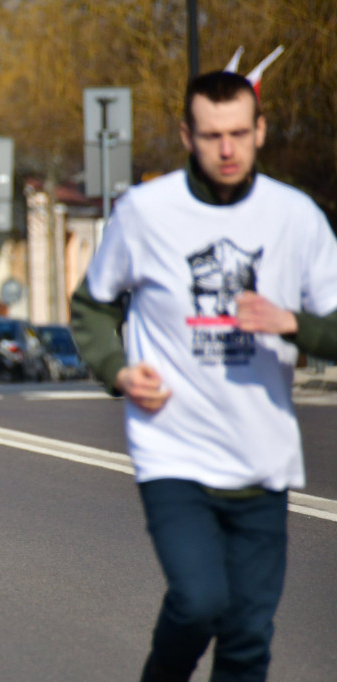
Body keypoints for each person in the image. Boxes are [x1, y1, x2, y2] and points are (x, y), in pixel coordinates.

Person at [69, 71, 337, 681]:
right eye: (213, 135)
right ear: (187, 136)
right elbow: (92, 305)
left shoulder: (295, 216)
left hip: (262, 456)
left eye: (239, 132)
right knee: (198, 603)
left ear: (260, 130)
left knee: (247, 636)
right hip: (173, 449)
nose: (227, 149)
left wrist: (293, 323)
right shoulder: (146, 212)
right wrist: (117, 370)